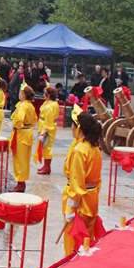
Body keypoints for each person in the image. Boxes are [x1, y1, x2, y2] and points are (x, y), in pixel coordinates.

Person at [62, 112, 104, 255]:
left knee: (73, 238)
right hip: (91, 197)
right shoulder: (95, 148)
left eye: (73, 126)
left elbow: (77, 180)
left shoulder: (80, 150)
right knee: (86, 238)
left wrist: (71, 206)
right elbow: (97, 178)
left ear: (78, 128)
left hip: (79, 201)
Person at [9, 85, 38, 192]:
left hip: (21, 133)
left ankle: (20, 183)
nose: (19, 94)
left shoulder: (24, 106)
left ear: (24, 95)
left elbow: (18, 119)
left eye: (20, 93)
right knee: (24, 159)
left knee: (20, 159)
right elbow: (35, 119)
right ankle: (21, 182)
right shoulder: (30, 105)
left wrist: (16, 125)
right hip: (27, 132)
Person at [36, 86, 59, 175]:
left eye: (44, 93)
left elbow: (48, 120)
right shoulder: (49, 103)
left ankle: (47, 167)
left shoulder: (50, 106)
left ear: (48, 95)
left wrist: (44, 132)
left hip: (47, 128)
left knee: (47, 148)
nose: (43, 95)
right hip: (44, 125)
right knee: (45, 147)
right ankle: (45, 165)